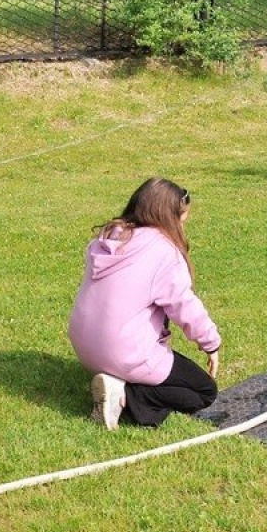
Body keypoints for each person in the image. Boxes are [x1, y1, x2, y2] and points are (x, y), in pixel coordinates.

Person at [67, 177, 222, 430]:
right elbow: (184, 305)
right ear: (170, 216)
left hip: (84, 347)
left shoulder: (107, 238)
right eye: (182, 218)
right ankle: (125, 395)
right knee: (203, 391)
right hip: (123, 352)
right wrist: (211, 343)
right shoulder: (163, 252)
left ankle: (114, 380)